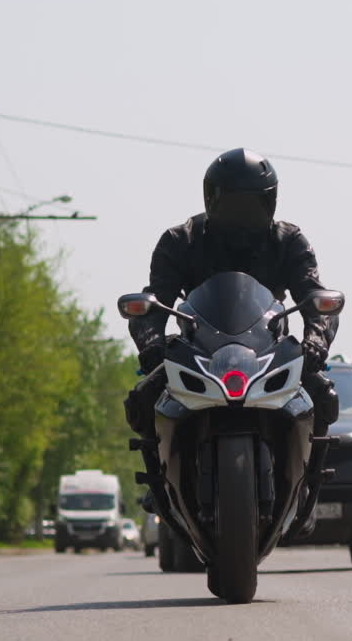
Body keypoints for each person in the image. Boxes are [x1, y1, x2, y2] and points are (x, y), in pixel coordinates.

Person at [125, 147, 340, 438]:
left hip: (270, 350)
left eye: (252, 205)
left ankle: (311, 481)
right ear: (211, 199)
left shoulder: (289, 241)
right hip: (196, 350)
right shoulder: (181, 240)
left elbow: (315, 297)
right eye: (232, 204)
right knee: (143, 401)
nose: (241, 215)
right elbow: (155, 301)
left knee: (323, 398)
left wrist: (315, 341)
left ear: (270, 201)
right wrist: (151, 344)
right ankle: (159, 479)